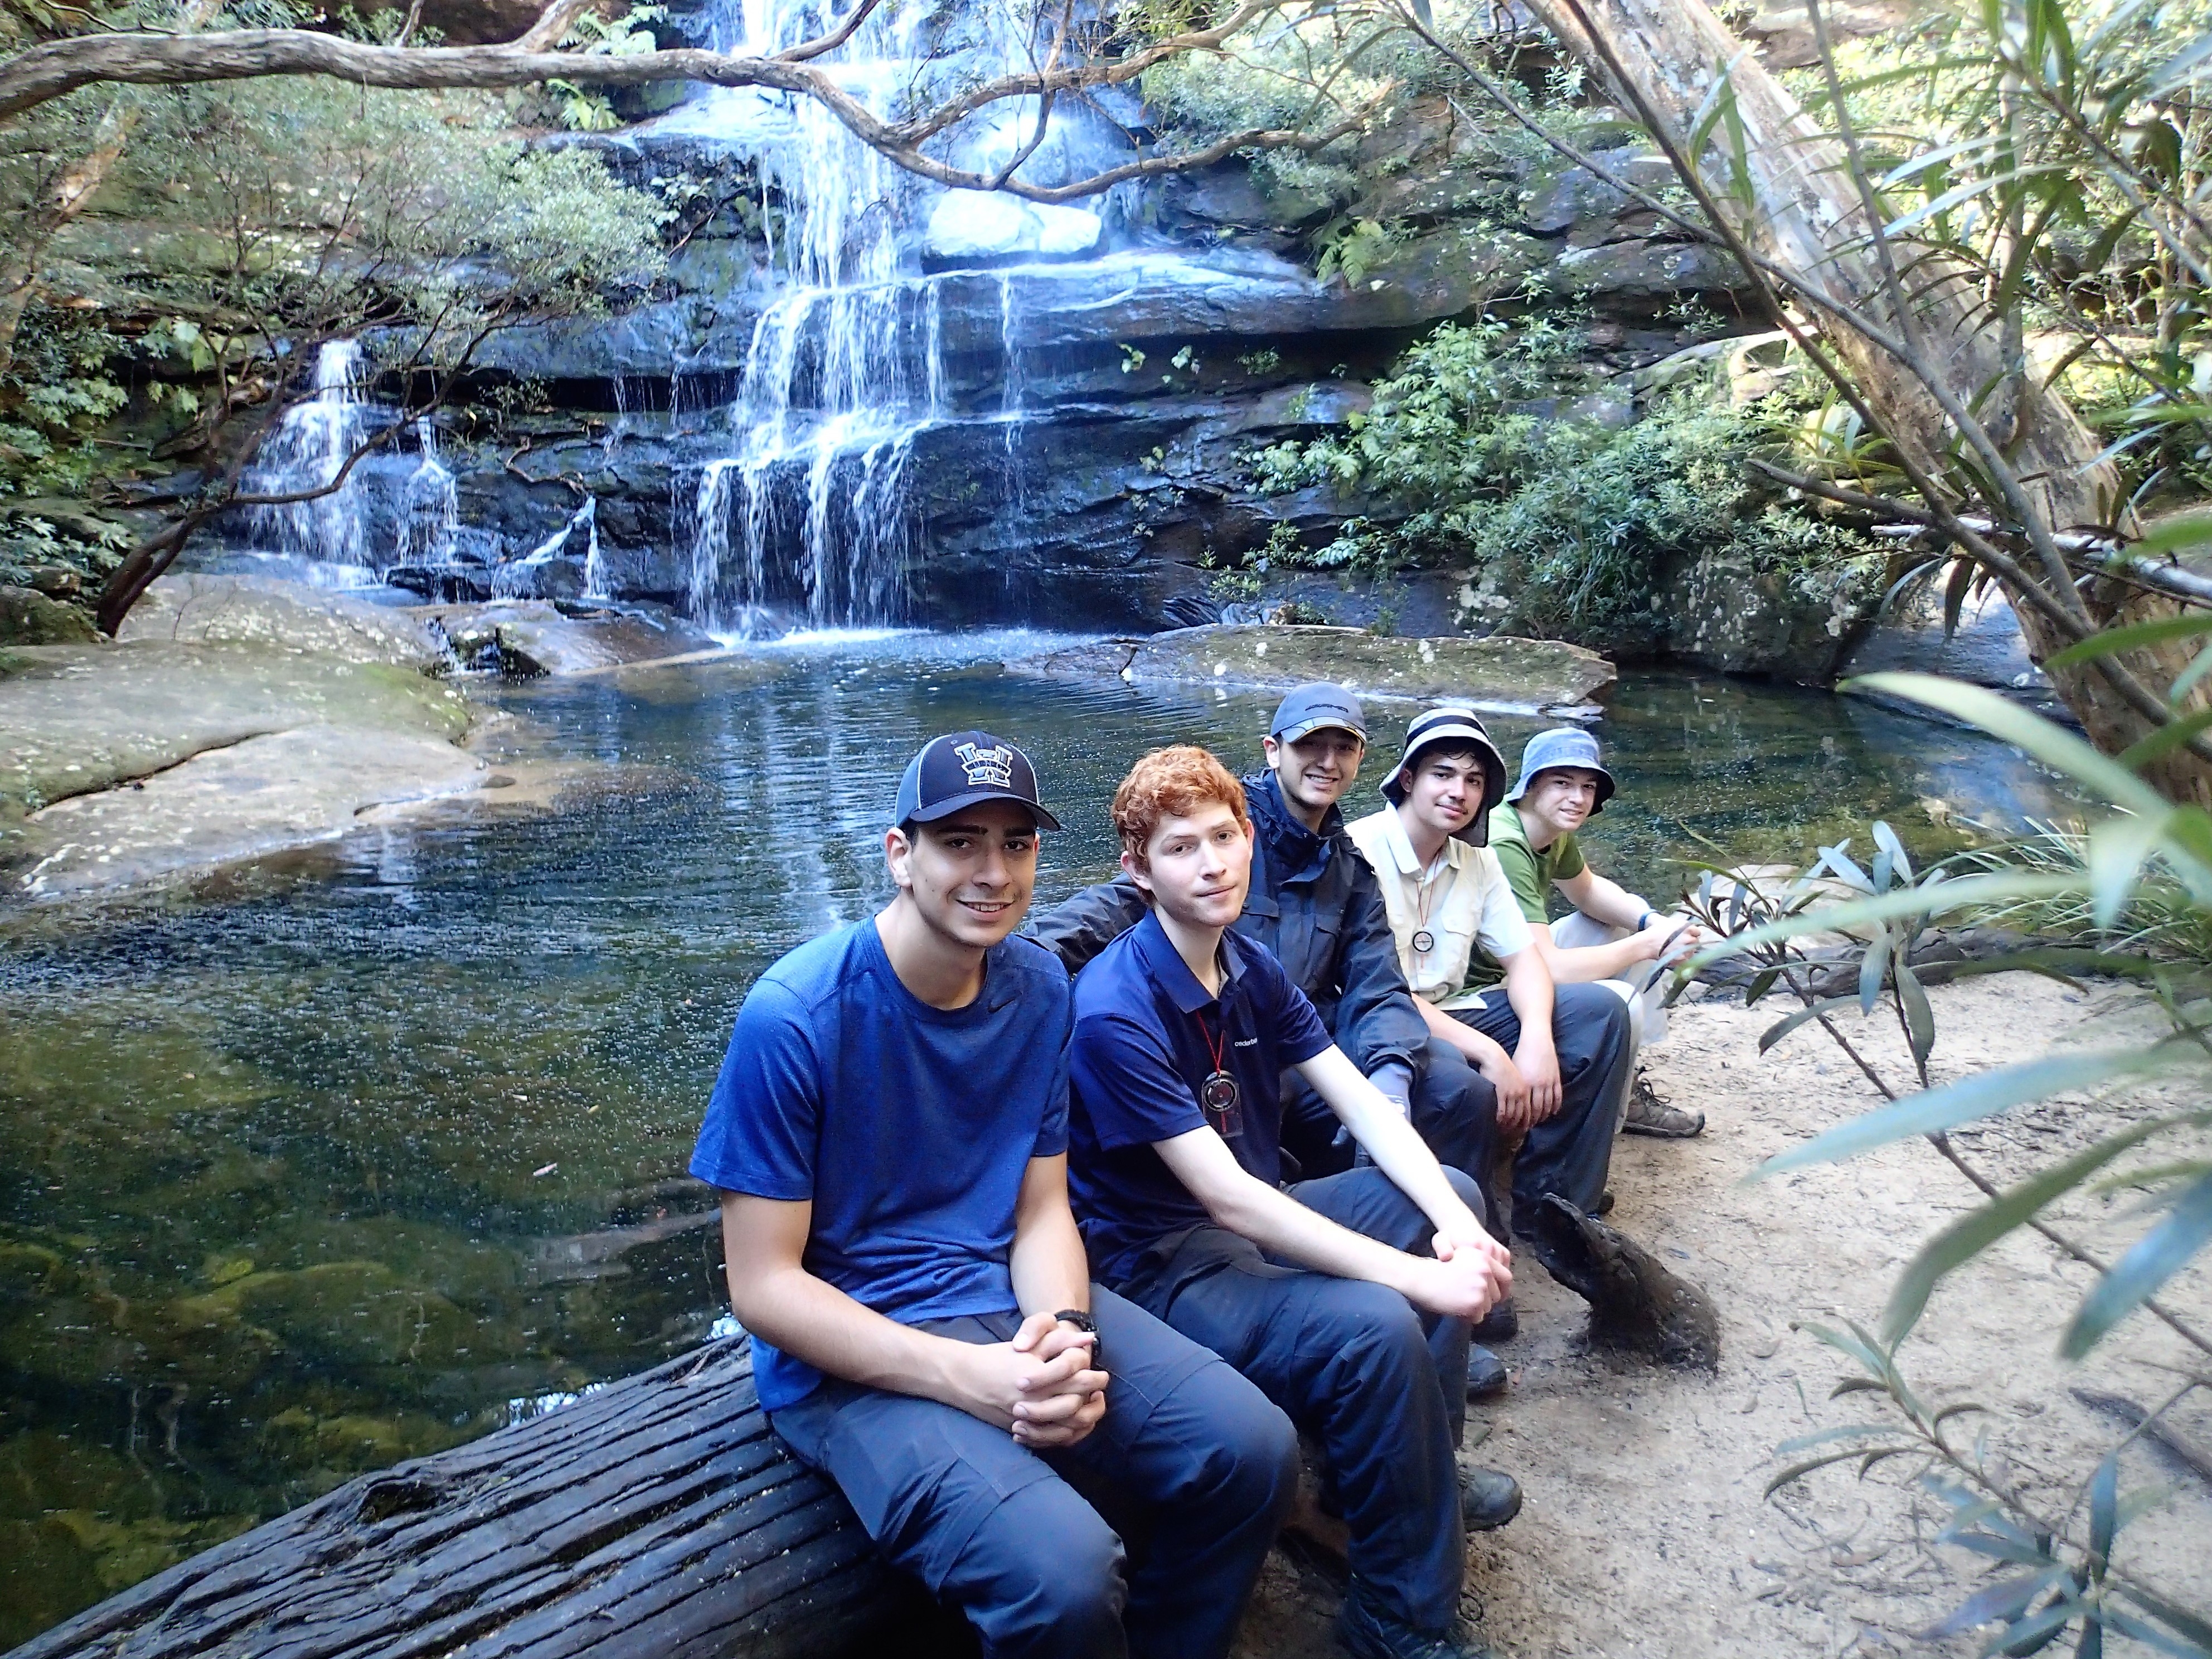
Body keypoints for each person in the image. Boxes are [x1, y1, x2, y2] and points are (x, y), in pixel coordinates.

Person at [691, 730, 1300, 1659]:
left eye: (1014, 844)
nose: (992, 871)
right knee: (1062, 1573)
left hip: (1003, 1301)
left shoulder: (1039, 987)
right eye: (960, 841)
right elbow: (763, 1288)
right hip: (848, 1362)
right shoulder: (794, 1017)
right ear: (900, 855)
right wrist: (974, 1380)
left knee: (1250, 1449)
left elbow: (1040, 1207)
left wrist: (1062, 1332)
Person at [1065, 744, 1519, 1659]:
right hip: (1157, 1267)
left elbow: (1356, 1097)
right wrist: (1417, 1278)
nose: (1213, 862)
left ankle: (1396, 1473)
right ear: (1137, 870)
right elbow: (1228, 1198)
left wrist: (1458, 1226)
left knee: (1449, 1189)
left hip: (1242, 1223)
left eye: (1225, 837)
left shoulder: (1244, 967)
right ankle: (1394, 1618)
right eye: (1181, 847)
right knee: (1373, 1324)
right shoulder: (1114, 1007)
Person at [1031, 685, 1514, 1386]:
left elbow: (1378, 986)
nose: (1213, 862)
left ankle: (1437, 1350)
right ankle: (1408, 1314)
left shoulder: (1339, 871)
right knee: (1372, 1301)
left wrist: (1390, 1085)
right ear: (1273, 751)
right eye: (1308, 745)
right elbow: (1094, 916)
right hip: (1198, 1148)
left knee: (1450, 1124)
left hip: (1275, 1067)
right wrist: (1007, 977)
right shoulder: (1198, 832)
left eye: (1341, 747)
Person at [1343, 707, 1632, 1236]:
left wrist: (1538, 1039)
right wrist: (1494, 1052)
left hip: (1456, 1010)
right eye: (1443, 774)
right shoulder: (1357, 850)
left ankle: (1558, 1207)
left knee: (1602, 1011)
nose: (1460, 791)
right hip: (1383, 1023)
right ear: (1408, 779)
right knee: (1458, 1073)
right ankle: (1470, 1231)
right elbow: (1379, 992)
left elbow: (1524, 959)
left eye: (1474, 780)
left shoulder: (1478, 861)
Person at [1492, 726, 1705, 1138]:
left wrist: (1652, 923)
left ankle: (1627, 1079)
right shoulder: (1505, 844)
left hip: (1515, 967)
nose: (1578, 798)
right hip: (1485, 986)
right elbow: (1546, 968)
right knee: (1622, 994)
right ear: (1531, 785)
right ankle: (1614, 1108)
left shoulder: (1548, 831)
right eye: (1562, 783)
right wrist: (1647, 945)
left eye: (1588, 787)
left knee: (1617, 921)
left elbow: (1587, 891)